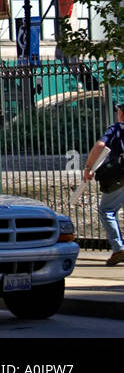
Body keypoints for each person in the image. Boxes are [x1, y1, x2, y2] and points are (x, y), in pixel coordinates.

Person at [83, 102, 124, 266]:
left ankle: (118, 249)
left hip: (119, 176)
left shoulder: (117, 128)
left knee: (106, 211)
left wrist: (88, 167)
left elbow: (100, 145)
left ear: (121, 113)